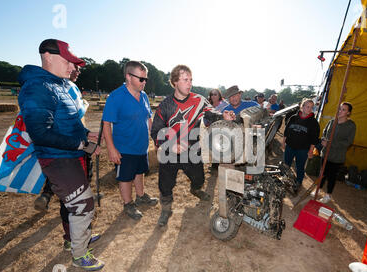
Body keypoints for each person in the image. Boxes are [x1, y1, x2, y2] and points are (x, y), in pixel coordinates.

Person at [18, 38, 104, 271]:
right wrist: (81, 144)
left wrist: (87, 134)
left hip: (71, 154)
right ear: (48, 57)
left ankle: (73, 239)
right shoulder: (37, 87)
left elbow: (69, 122)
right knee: (83, 204)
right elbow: (40, 134)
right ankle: (79, 254)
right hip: (56, 157)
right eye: (67, 61)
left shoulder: (64, 85)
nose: (72, 67)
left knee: (73, 202)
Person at [150, 64, 235, 227]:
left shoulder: (199, 100)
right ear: (175, 82)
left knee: (199, 178)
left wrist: (223, 116)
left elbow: (212, 114)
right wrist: (170, 145)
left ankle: (195, 189)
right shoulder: (165, 105)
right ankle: (166, 209)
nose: (189, 83)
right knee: (165, 184)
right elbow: (155, 131)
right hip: (170, 153)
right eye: (185, 80)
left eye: (190, 80)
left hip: (192, 151)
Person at [33, 64, 101, 251]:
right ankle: (71, 238)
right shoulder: (48, 90)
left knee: (82, 192)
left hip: (78, 148)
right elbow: (49, 130)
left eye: (78, 69)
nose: (76, 72)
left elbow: (73, 123)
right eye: (73, 68)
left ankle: (81, 235)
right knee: (72, 198)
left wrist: (86, 134)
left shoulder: (71, 89)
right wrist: (81, 142)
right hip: (64, 153)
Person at [102, 61, 158, 220]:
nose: (144, 82)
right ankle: (128, 204)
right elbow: (106, 125)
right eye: (141, 79)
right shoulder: (115, 97)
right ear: (128, 76)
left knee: (139, 172)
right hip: (124, 148)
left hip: (141, 147)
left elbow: (148, 118)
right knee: (125, 177)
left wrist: (154, 137)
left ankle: (141, 196)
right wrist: (111, 149)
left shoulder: (144, 96)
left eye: (145, 79)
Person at [313, 102, 356, 203]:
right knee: (322, 173)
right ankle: (318, 189)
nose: (340, 111)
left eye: (343, 110)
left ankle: (328, 195)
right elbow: (324, 133)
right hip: (325, 153)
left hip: (337, 156)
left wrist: (331, 144)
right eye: (340, 108)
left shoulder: (351, 125)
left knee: (331, 176)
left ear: (348, 113)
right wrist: (324, 140)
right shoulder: (332, 121)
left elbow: (348, 142)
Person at [282, 98, 320, 192]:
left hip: (302, 149)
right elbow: (286, 131)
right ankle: (284, 179)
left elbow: (314, 139)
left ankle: (298, 182)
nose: (309, 109)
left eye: (311, 107)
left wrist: (311, 150)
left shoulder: (313, 122)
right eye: (307, 106)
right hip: (290, 146)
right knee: (286, 164)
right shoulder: (293, 118)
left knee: (300, 166)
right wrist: (283, 142)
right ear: (302, 107)